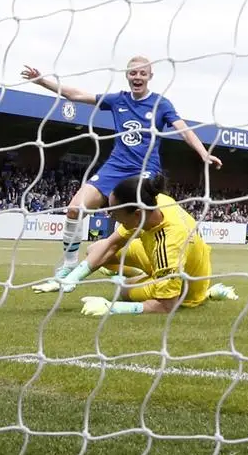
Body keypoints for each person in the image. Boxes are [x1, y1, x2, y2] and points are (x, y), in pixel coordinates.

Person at [22, 56, 222, 290]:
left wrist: (203, 153)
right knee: (75, 209)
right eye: (133, 73)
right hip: (115, 167)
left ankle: (153, 269)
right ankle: (69, 264)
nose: (137, 77)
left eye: (142, 73)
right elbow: (76, 96)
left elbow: (184, 129)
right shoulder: (118, 100)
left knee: (132, 222)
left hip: (145, 171)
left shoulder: (161, 104)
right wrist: (42, 81)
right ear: (127, 75)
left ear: (150, 76)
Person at [46, 174, 239, 316]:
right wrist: (72, 278)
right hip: (162, 260)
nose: (110, 216)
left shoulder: (169, 243)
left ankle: (205, 293)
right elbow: (111, 245)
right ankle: (147, 276)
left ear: (136, 214)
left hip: (186, 289)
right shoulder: (155, 202)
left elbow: (166, 306)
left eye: (115, 213)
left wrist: (112, 307)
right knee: (95, 249)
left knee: (122, 291)